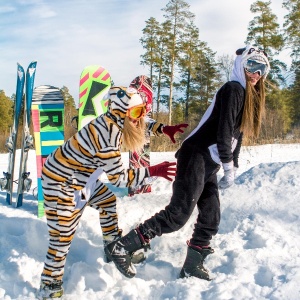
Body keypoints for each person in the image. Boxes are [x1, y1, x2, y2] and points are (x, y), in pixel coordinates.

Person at [105, 45, 270, 280]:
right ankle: (122, 246)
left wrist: (232, 163)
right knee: (178, 215)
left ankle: (193, 264)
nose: (255, 73)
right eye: (251, 65)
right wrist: (227, 165)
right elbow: (224, 133)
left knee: (211, 216)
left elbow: (237, 135)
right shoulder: (233, 89)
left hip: (208, 162)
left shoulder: (246, 95)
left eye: (261, 69)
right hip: (197, 156)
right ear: (240, 65)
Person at [37, 85, 180, 299]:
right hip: (62, 181)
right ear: (120, 112)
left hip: (83, 177)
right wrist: (153, 170)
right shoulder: (107, 135)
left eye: (142, 110)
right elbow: (120, 179)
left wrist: (162, 128)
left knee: (106, 201)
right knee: (62, 235)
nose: (139, 117)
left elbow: (141, 122)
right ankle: (50, 284)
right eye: (134, 112)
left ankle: (113, 247)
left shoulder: (120, 120)